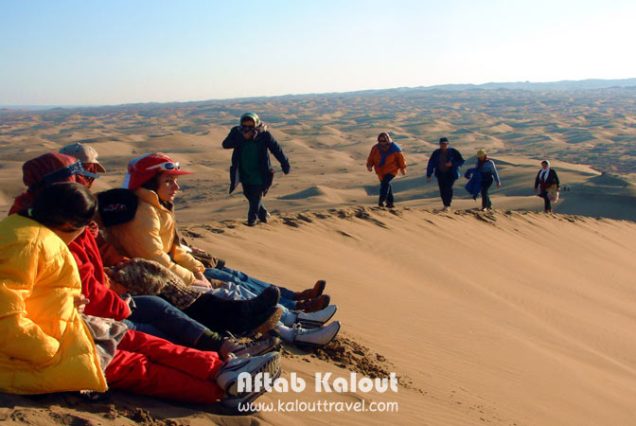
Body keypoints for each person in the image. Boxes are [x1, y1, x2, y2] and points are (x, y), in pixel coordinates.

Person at [0, 182, 281, 408]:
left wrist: (70, 302)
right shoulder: (30, 244)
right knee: (137, 367)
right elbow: (6, 317)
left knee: (139, 339)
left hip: (63, 328)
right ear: (69, 223)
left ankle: (222, 370)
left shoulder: (28, 231)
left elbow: (34, 292)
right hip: (30, 356)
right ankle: (220, 393)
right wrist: (48, 350)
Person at [57, 144, 281, 357]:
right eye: (86, 171)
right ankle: (243, 338)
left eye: (94, 172)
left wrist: (193, 268)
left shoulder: (86, 206)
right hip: (95, 299)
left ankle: (283, 314)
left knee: (221, 279)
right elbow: (146, 255)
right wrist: (190, 276)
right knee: (178, 295)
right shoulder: (69, 212)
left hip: (114, 282)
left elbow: (102, 249)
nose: (90, 179)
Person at [104, 153, 340, 348]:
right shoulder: (142, 214)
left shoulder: (155, 206)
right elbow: (155, 258)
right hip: (154, 282)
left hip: (167, 274)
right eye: (168, 181)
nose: (176, 186)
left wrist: (196, 268)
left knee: (232, 282)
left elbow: (173, 249)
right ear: (149, 182)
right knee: (228, 291)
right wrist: (194, 276)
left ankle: (294, 315)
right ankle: (293, 326)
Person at [221, 112, 290, 226]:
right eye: (245, 126)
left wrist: (285, 164)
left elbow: (276, 149)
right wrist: (242, 138)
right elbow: (225, 144)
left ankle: (251, 221)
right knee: (248, 194)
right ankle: (262, 214)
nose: (247, 129)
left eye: (250, 126)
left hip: (260, 172)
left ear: (256, 124)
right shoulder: (237, 132)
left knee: (256, 196)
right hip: (244, 171)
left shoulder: (264, 135)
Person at [366, 132, 406, 208]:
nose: (382, 143)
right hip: (380, 171)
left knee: (385, 183)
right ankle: (390, 204)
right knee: (387, 185)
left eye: (384, 141)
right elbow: (371, 157)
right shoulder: (375, 148)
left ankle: (381, 200)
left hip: (391, 170)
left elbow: (401, 159)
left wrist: (402, 168)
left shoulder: (394, 148)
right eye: (380, 141)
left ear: (387, 140)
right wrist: (369, 165)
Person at [426, 137, 465, 211]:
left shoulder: (453, 152)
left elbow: (461, 161)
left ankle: (448, 205)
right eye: (442, 144)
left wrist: (452, 164)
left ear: (447, 144)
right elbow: (431, 163)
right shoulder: (436, 153)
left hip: (450, 174)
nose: (443, 145)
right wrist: (429, 174)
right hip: (440, 174)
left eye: (445, 144)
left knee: (448, 188)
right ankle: (445, 205)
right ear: (439, 144)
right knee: (442, 190)